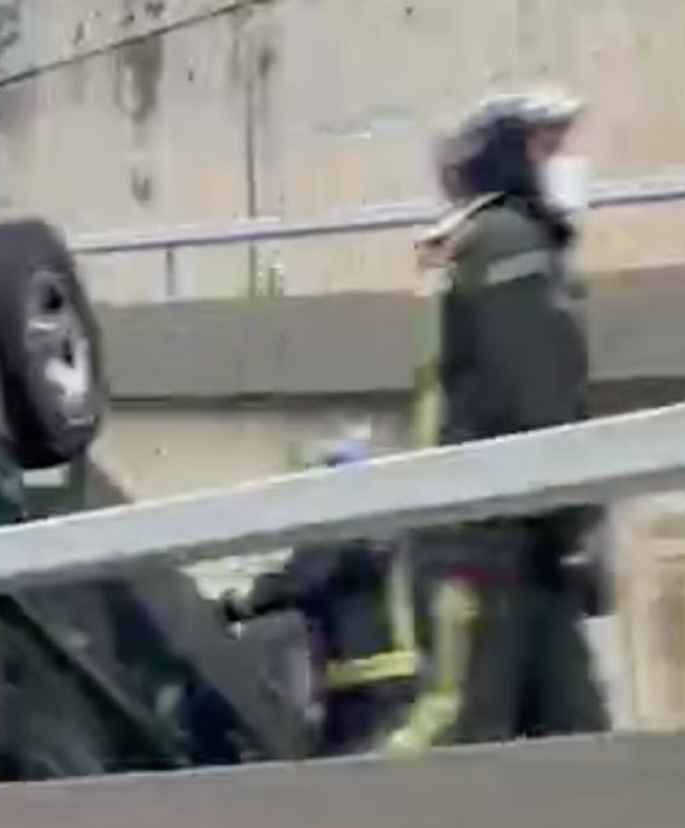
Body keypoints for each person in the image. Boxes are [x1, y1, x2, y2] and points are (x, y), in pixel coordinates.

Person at [385, 90, 610, 752]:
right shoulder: (507, 242)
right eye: (546, 149)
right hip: (486, 546)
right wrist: (576, 525)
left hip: (523, 540)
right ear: (510, 158)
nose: (565, 165)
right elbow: (535, 393)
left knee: (574, 740)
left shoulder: (499, 244)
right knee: (466, 738)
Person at [224, 437, 419, 755]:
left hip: (361, 682)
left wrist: (239, 606)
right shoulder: (392, 531)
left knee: (344, 771)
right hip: (401, 677)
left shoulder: (340, 531)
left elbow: (298, 581)